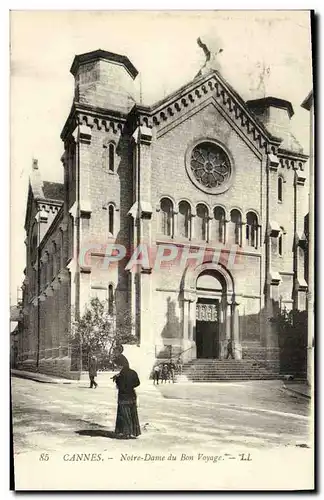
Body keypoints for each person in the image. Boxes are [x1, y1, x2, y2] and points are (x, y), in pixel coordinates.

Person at [113, 356, 141, 439]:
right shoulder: (133, 372)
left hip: (123, 397)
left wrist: (117, 379)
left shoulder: (120, 375)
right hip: (131, 396)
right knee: (132, 414)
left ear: (121, 365)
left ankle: (126, 433)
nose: (117, 367)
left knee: (124, 415)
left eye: (117, 365)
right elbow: (137, 383)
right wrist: (130, 385)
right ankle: (134, 432)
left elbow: (119, 386)